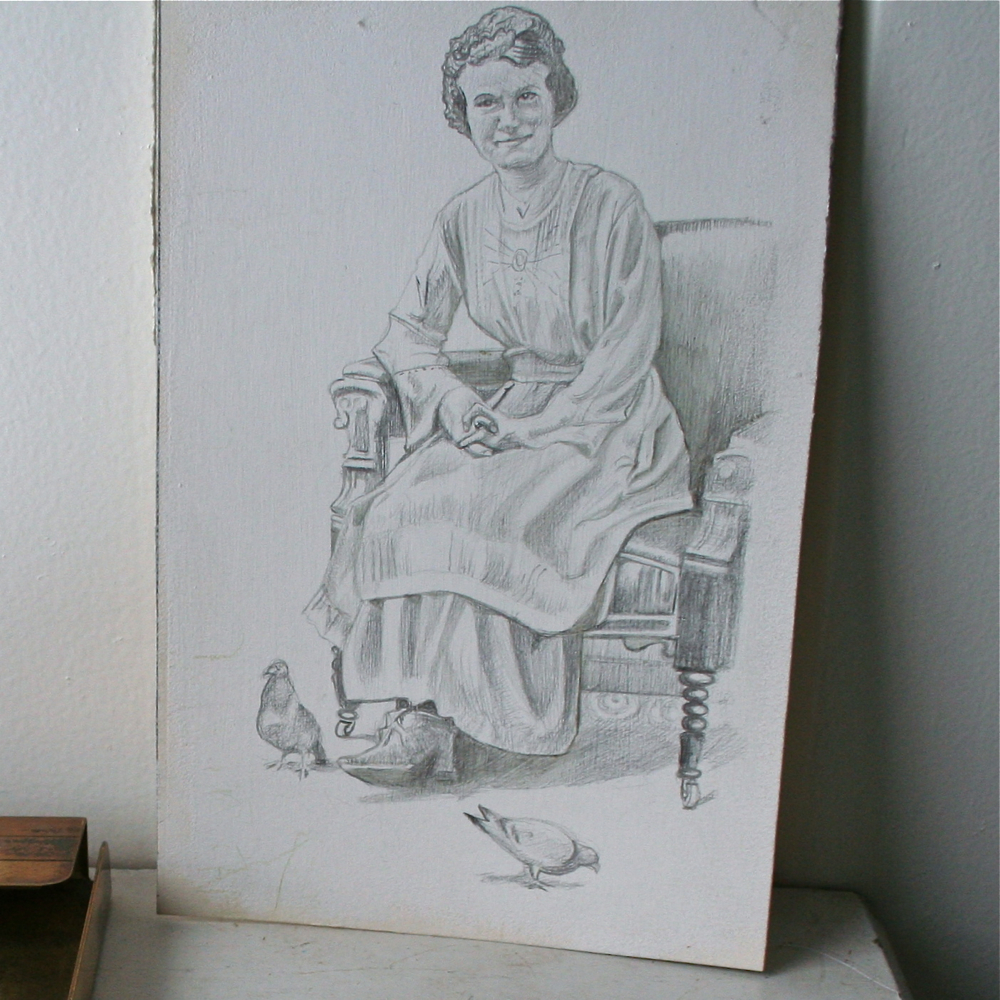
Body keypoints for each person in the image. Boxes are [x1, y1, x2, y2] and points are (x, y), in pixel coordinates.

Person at [307, 6, 691, 786]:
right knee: (402, 505)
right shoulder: (462, 217)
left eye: (525, 96)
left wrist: (544, 428)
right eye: (486, 102)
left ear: (556, 99)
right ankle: (422, 715)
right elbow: (407, 334)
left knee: (495, 513)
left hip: (608, 422)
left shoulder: (613, 202)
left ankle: (494, 725)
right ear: (463, 114)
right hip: (509, 407)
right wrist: (453, 403)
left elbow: (627, 347)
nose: (507, 119)